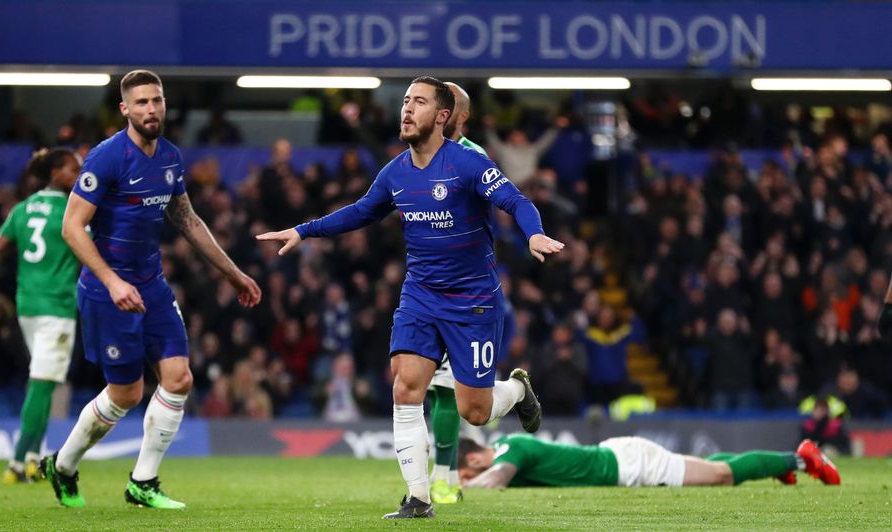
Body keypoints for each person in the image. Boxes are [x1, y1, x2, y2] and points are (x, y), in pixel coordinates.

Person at [257, 76, 564, 519]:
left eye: (418, 102)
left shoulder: (469, 163)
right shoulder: (396, 171)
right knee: (405, 387)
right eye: (405, 101)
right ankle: (418, 498)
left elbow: (516, 200)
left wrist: (534, 234)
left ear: (442, 116)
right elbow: (362, 211)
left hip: (472, 301)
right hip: (420, 296)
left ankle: (516, 389)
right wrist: (303, 230)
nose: (406, 109)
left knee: (474, 412)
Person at [40, 70, 261, 510]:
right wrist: (112, 280)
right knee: (127, 394)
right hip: (108, 291)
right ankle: (62, 465)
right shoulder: (106, 157)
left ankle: (143, 482)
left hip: (151, 285)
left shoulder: (171, 157)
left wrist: (233, 273)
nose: (151, 109)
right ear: (125, 109)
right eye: (140, 103)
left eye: (156, 101)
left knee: (179, 379)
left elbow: (188, 221)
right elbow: (71, 227)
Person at [0, 148, 82, 484]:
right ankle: (17, 462)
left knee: (42, 381)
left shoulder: (22, 209)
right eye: (74, 169)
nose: (79, 174)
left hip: (27, 306)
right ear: (55, 172)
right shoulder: (73, 212)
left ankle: (32, 457)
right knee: (44, 384)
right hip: (57, 307)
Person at [426, 81, 491, 506]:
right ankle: (436, 477)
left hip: (462, 292)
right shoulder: (418, 152)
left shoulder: (474, 159)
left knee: (454, 391)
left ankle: (443, 477)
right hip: (423, 286)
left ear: (458, 116)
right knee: (427, 388)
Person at [458, 434, 840, 489]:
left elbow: (497, 480)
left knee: (720, 475)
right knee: (706, 466)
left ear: (475, 457)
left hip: (628, 466)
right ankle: (780, 465)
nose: (466, 477)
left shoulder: (511, 449)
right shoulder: (509, 445)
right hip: (620, 458)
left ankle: (801, 457)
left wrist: (456, 488)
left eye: (464, 471)